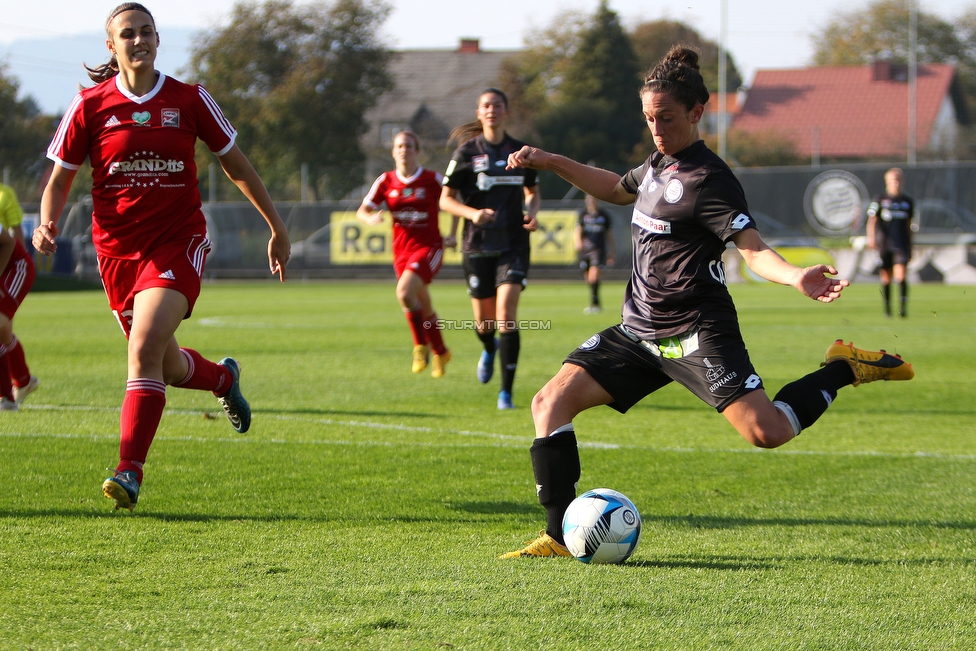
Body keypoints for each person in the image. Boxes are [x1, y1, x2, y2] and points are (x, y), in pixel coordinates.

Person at [500, 46, 914, 558]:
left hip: (696, 333)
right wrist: (548, 159)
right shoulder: (656, 163)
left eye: (666, 118)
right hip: (638, 330)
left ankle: (841, 368)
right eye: (649, 118)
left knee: (767, 432)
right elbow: (614, 187)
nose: (656, 128)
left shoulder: (711, 180)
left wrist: (793, 277)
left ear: (697, 113)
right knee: (549, 402)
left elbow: (753, 250)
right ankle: (559, 536)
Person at [36, 2, 290, 511]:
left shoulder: (190, 99)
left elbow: (235, 162)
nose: (138, 40)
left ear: (158, 39)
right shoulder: (89, 105)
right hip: (117, 253)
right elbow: (60, 176)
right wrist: (46, 221)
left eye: (146, 31)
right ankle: (223, 377)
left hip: (178, 242)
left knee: (144, 347)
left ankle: (129, 470)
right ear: (112, 46)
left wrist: (276, 226)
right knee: (165, 364)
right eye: (127, 34)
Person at [439, 88, 540, 410]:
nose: (492, 110)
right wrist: (472, 214)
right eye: (486, 106)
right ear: (479, 113)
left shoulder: (519, 152)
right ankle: (489, 347)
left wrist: (532, 212)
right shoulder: (466, 153)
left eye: (497, 105)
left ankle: (506, 393)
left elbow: (532, 192)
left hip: (513, 245)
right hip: (477, 246)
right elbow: (445, 199)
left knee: (506, 315)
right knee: (485, 325)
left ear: (506, 111)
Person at [357, 131, 450, 377]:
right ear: (393, 151)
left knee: (404, 293)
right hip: (401, 252)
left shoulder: (432, 179)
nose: (404, 150)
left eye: (409, 146)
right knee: (424, 303)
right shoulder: (386, 181)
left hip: (429, 247)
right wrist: (370, 217)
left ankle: (420, 346)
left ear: (417, 151)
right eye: (399, 146)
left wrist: (452, 234)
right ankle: (441, 351)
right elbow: (362, 211)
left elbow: (456, 202)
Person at [0, 183, 38, 411]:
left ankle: (6, 399)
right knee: (4, 332)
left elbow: (9, 242)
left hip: (15, 266)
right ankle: (23, 381)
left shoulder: (5, 194)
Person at [866, 168, 915, 318]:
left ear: (902, 181)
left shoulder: (907, 202)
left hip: (901, 244)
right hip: (884, 244)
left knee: (901, 276)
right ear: (887, 182)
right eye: (893, 180)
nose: (896, 183)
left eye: (898, 180)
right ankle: (887, 309)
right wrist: (871, 238)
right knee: (886, 277)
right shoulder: (879, 200)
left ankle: (902, 308)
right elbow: (872, 220)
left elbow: (909, 225)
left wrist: (911, 245)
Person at [575, 194, 615, 314]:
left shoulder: (604, 215)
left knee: (594, 276)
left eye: (594, 199)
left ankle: (595, 304)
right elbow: (578, 231)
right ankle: (595, 301)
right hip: (586, 250)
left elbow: (609, 235)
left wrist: (612, 251)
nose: (592, 201)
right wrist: (578, 243)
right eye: (590, 199)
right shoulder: (583, 215)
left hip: (598, 250)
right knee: (588, 279)